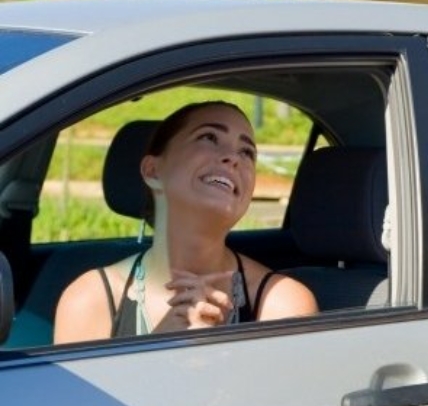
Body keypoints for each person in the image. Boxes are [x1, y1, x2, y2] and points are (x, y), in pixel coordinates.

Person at [55, 101, 318, 342]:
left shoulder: (283, 304)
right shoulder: (89, 300)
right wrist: (158, 348)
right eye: (209, 137)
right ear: (152, 171)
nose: (233, 157)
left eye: (247, 152)